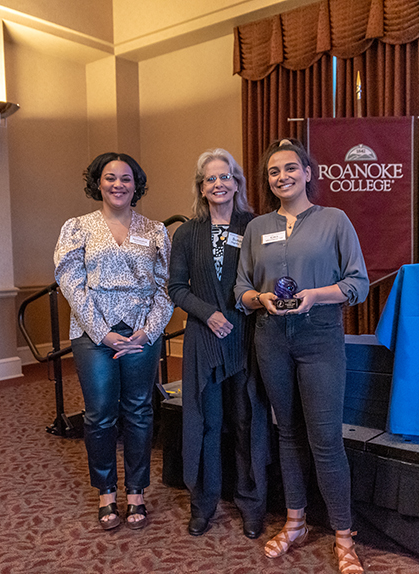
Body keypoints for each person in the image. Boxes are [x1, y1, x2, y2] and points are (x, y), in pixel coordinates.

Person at [234, 138, 369, 574]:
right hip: (271, 336)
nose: (282, 177)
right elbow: (241, 289)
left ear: (308, 173)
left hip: (319, 336)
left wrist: (315, 296)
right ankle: (296, 523)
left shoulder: (334, 220)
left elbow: (357, 283)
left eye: (290, 168)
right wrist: (259, 298)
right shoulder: (257, 228)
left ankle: (345, 537)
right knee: (287, 433)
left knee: (325, 440)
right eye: (274, 172)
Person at [54, 152, 174, 531]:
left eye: (126, 178)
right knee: (100, 413)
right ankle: (106, 491)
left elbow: (168, 285)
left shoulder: (155, 230)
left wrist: (150, 330)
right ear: (98, 182)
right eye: (110, 177)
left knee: (139, 411)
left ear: (136, 183)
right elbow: (70, 282)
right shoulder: (77, 227)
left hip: (141, 330)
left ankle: (136, 491)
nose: (118, 184)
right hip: (93, 332)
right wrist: (102, 331)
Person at [168, 149, 270, 539]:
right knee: (206, 424)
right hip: (203, 340)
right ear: (201, 187)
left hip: (245, 338)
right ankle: (203, 503)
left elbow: (264, 277)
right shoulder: (188, 232)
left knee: (248, 423)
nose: (218, 184)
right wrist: (207, 313)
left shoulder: (256, 225)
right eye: (210, 179)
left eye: (225, 176)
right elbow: (176, 286)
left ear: (237, 182)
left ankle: (251, 504)